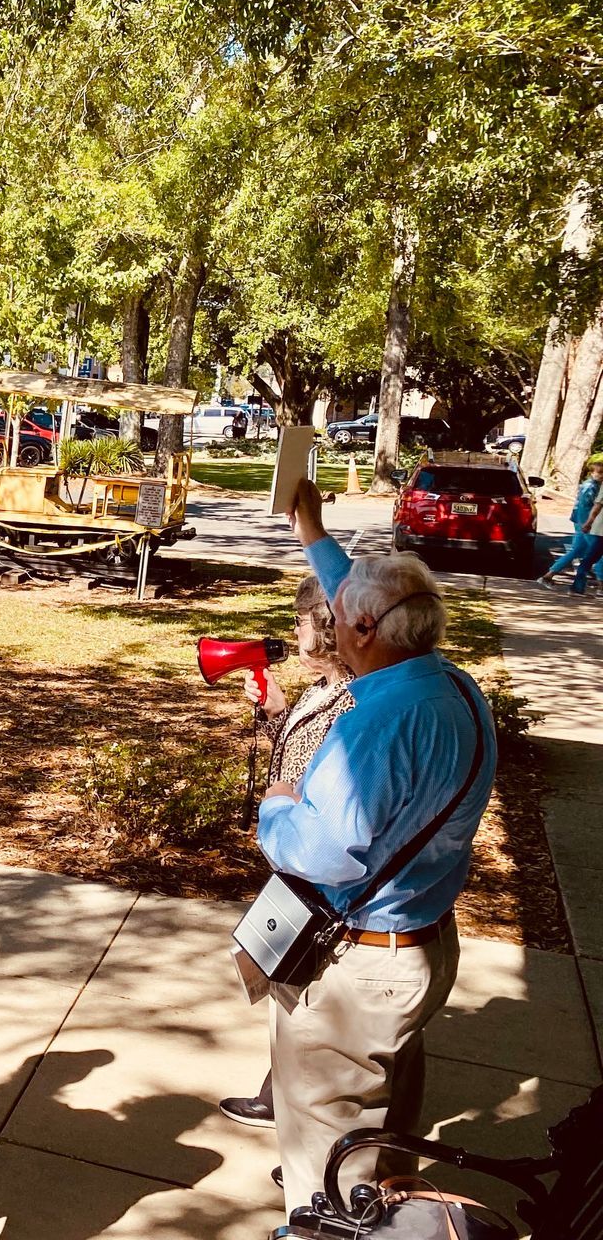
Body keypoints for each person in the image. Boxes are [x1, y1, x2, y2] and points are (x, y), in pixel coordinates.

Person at [261, 478, 498, 1215]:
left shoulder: (374, 726)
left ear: (362, 630)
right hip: (422, 943)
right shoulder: (452, 687)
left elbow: (321, 853)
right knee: (381, 1131)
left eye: (337, 620)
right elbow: (357, 594)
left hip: (363, 966)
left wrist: (277, 809)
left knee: (323, 1157)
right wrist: (311, 526)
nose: (329, 627)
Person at [217, 575, 357, 1129]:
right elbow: (300, 756)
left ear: (324, 630)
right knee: (293, 987)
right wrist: (278, 714)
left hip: (315, 866)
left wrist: (281, 804)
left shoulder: (350, 701)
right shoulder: (323, 690)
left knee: (306, 992)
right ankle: (280, 1094)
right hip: (297, 858)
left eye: (300, 622)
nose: (294, 632)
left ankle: (298, 1112)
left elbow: (320, 781)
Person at [538, 459, 603, 593]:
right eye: (599, 472)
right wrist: (587, 523)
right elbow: (586, 507)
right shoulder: (590, 487)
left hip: (583, 523)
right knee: (597, 554)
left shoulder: (591, 485)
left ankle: (549, 575)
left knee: (577, 551)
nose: (601, 475)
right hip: (588, 524)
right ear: (592, 473)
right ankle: (600, 584)